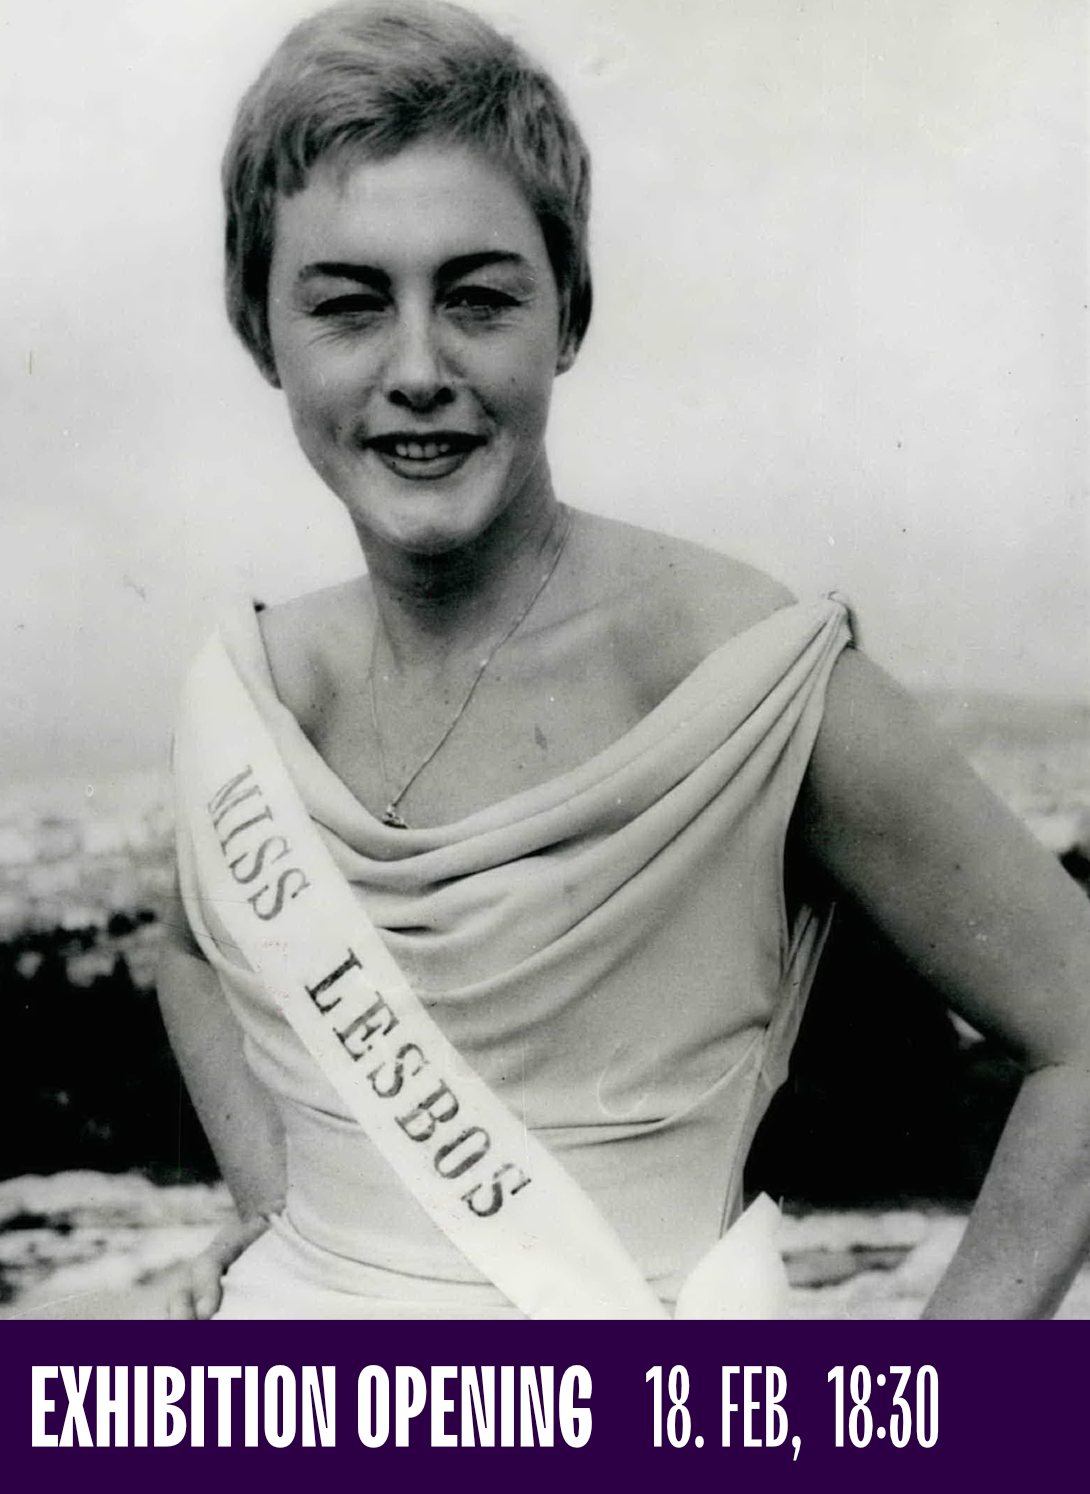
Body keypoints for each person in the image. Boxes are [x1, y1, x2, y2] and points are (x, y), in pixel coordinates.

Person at [158, 0, 1090, 1319]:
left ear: (569, 317)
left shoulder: (742, 674)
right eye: (350, 304)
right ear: (264, 334)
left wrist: (934, 1419)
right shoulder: (248, 691)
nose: (418, 367)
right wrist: (278, 1213)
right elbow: (189, 945)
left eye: (479, 298)